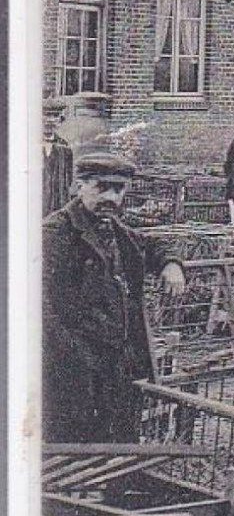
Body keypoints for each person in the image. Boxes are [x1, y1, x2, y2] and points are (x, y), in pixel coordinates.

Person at [43, 150, 187, 442]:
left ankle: (113, 487)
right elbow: (36, 304)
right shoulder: (56, 233)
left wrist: (171, 264)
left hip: (116, 358)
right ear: (78, 186)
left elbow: (150, 244)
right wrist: (74, 353)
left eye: (118, 189)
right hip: (73, 362)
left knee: (119, 437)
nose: (111, 197)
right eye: (101, 187)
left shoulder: (115, 228)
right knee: (72, 443)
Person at [43, 98, 75, 217]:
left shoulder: (64, 147)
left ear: (60, 120)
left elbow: (69, 179)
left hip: (57, 205)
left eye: (55, 116)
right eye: (46, 115)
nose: (50, 120)